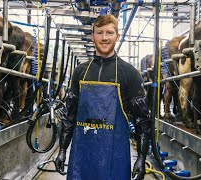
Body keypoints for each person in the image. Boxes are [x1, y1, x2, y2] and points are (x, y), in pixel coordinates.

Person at [54, 14, 152, 180]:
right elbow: (69, 115)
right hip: (81, 157)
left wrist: (141, 158)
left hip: (116, 156)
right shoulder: (80, 72)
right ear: (93, 36)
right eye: (99, 33)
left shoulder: (129, 73)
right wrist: (62, 150)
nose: (104, 38)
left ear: (117, 36)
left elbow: (142, 120)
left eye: (109, 33)